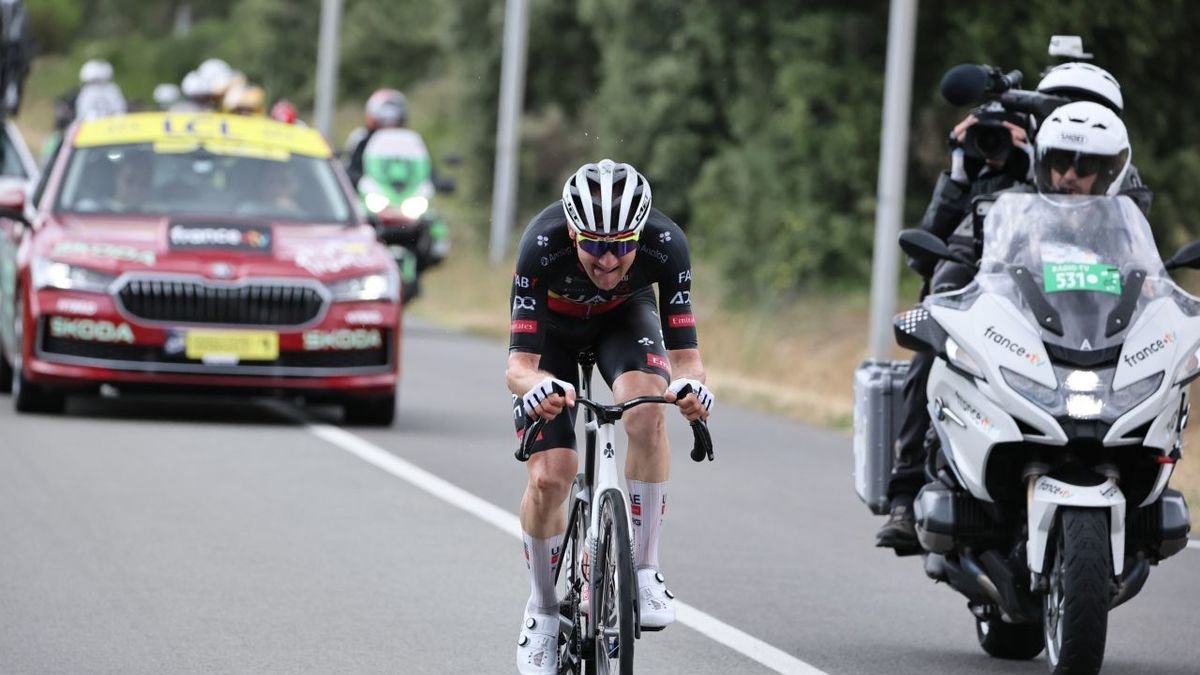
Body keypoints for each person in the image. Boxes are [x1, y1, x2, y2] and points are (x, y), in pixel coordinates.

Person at [877, 100, 1139, 551]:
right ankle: (906, 491)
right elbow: (949, 261)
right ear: (1041, 158)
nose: (1069, 177)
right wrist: (949, 288)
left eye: (1085, 166)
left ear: (1111, 170)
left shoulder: (1124, 224)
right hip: (1018, 344)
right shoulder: (1007, 208)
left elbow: (1148, 279)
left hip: (1094, 355)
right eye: (1059, 162)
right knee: (931, 343)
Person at [506, 159, 714, 674]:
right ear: (573, 232)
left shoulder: (667, 245)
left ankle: (644, 568)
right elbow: (518, 367)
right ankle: (543, 609)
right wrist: (539, 387)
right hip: (552, 333)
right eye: (595, 246)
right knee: (551, 476)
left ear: (639, 234)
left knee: (648, 411)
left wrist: (692, 391)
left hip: (624, 320)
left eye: (622, 246)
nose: (607, 261)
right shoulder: (541, 243)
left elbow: (688, 362)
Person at [344, 88, 409, 185]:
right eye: (385, 121)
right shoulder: (362, 139)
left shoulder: (409, 141)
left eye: (394, 121)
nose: (390, 126)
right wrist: (360, 181)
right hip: (370, 193)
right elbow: (351, 169)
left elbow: (422, 167)